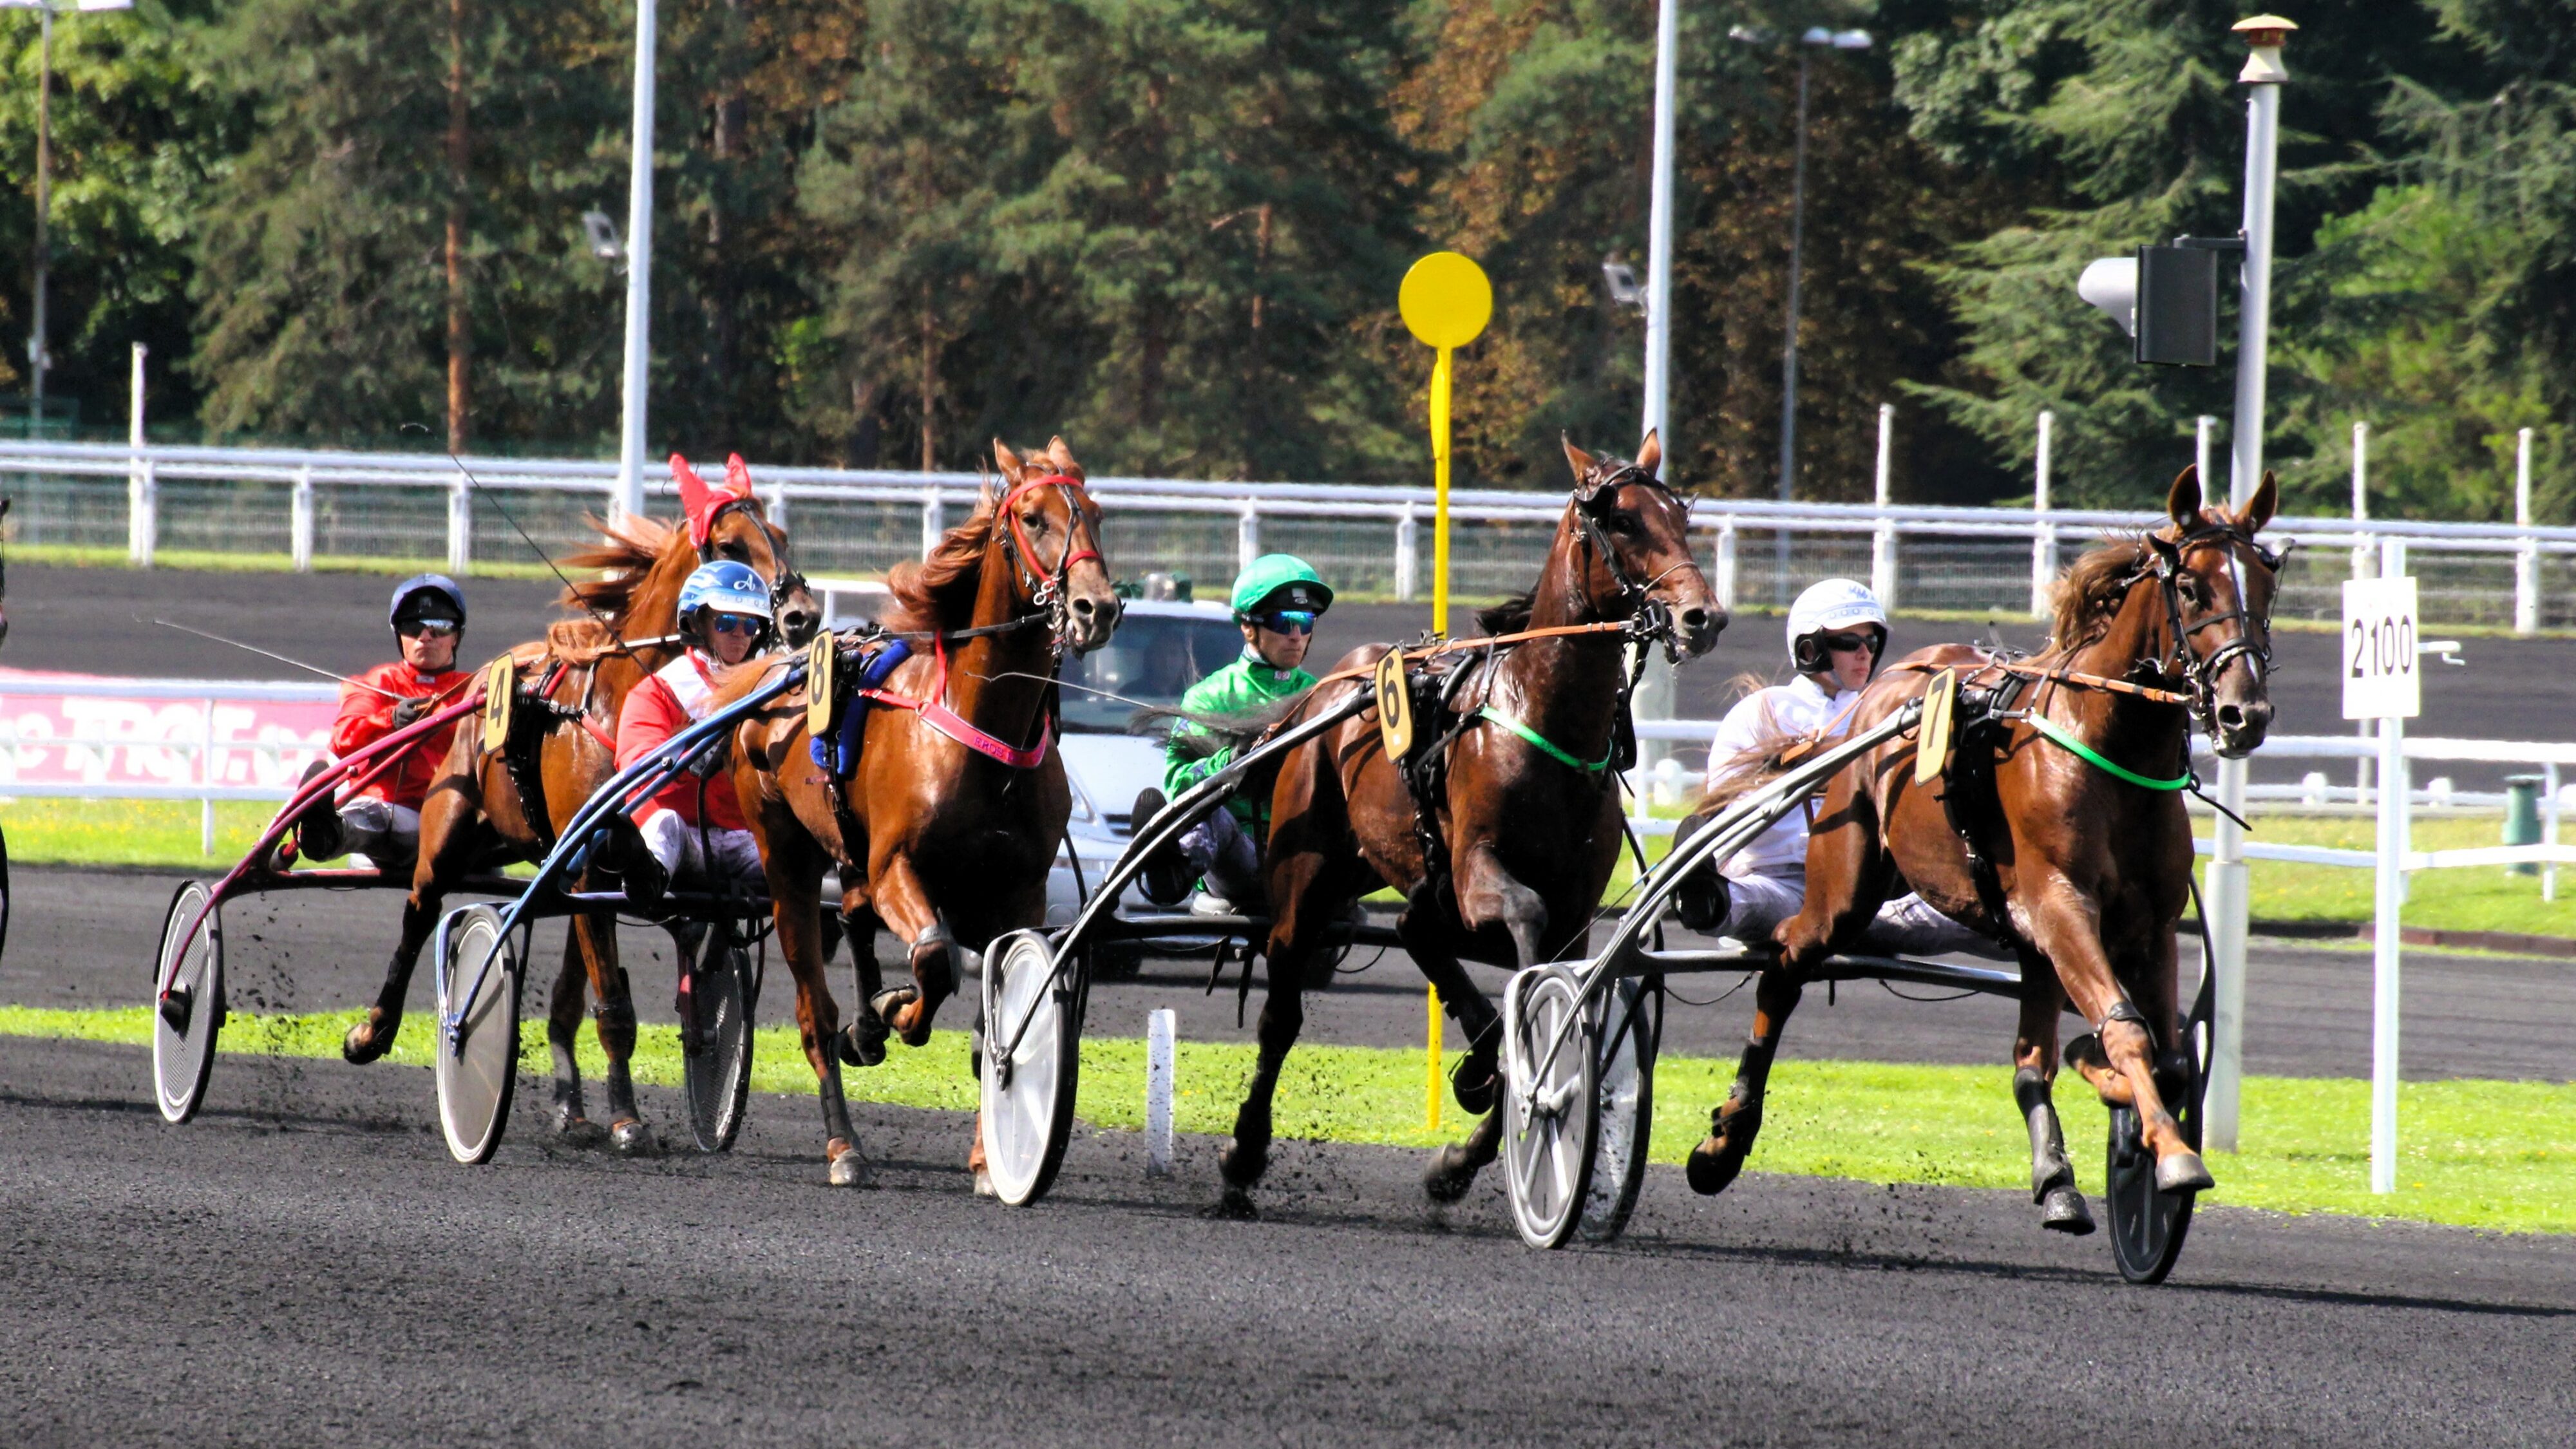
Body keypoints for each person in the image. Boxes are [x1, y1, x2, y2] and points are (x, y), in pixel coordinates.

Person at [1675, 578, 2000, 959]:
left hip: (1870, 887)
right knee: (1757, 904)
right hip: (1781, 879)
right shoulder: (1764, 711)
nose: (1864, 654)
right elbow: (1731, 814)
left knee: (1989, 913)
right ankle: (1712, 900)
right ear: (1810, 648)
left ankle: (1857, 924)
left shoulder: (1888, 714)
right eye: (1850, 642)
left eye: (1872, 642)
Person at [1137, 554, 1334, 913]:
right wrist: (1233, 762)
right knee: (1211, 814)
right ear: (1248, 627)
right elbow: (1178, 784)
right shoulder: (1208, 698)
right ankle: (1173, 872)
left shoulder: (1324, 696)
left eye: (1306, 622)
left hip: (1308, 858)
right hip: (1240, 857)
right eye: (1283, 621)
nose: (1296, 635)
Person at [615, 560, 775, 907]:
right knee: (665, 823)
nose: (739, 633)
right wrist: (684, 759)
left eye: (750, 625)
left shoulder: (770, 692)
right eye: (727, 621)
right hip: (682, 840)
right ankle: (646, 883)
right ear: (697, 623)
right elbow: (636, 769)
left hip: (744, 838)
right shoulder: (657, 692)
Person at [288, 574, 473, 870]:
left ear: (456, 636)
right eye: (413, 627)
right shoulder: (376, 683)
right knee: (375, 814)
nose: (426, 636)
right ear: (400, 635)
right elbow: (343, 739)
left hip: (461, 819)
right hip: (397, 815)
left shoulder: (478, 690)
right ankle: (325, 834)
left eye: (439, 627)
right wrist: (391, 720)